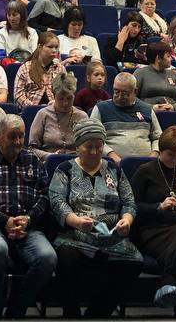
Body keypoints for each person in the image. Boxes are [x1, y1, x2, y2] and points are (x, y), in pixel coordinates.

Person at [0, 114, 57, 319]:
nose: (17, 142)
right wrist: (3, 220)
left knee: (47, 258)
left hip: (27, 227)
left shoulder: (32, 159)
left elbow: (45, 196)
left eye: (21, 136)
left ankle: (17, 309)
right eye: (12, 136)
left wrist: (28, 219)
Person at [48, 118, 143, 318]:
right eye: (88, 147)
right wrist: (76, 221)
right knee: (66, 257)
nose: (94, 152)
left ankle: (97, 314)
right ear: (77, 147)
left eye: (99, 146)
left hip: (111, 237)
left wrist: (127, 220)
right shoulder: (65, 170)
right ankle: (71, 314)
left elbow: (129, 202)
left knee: (134, 261)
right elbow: (57, 202)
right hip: (75, 236)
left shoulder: (114, 169)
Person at [129, 125, 176, 312]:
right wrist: (158, 206)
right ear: (161, 150)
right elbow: (131, 207)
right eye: (170, 154)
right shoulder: (145, 171)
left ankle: (168, 282)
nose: (175, 160)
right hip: (152, 230)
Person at [92, 72, 162, 162]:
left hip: (146, 165)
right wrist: (110, 154)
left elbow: (158, 137)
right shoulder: (101, 108)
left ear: (135, 91)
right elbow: (93, 137)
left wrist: (154, 155)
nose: (119, 96)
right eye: (116, 91)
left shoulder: (147, 109)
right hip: (110, 163)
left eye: (125, 93)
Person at [28, 71, 87, 159]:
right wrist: (50, 156)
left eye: (69, 98)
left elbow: (88, 147)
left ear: (74, 95)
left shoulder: (82, 117)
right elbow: (32, 149)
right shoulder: (43, 114)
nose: (65, 103)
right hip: (49, 162)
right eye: (61, 99)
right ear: (54, 96)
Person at [134, 41, 176, 110]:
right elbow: (132, 98)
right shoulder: (140, 73)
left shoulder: (173, 74)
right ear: (158, 58)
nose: (171, 59)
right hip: (148, 112)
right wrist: (151, 107)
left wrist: (173, 107)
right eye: (168, 56)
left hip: (171, 113)